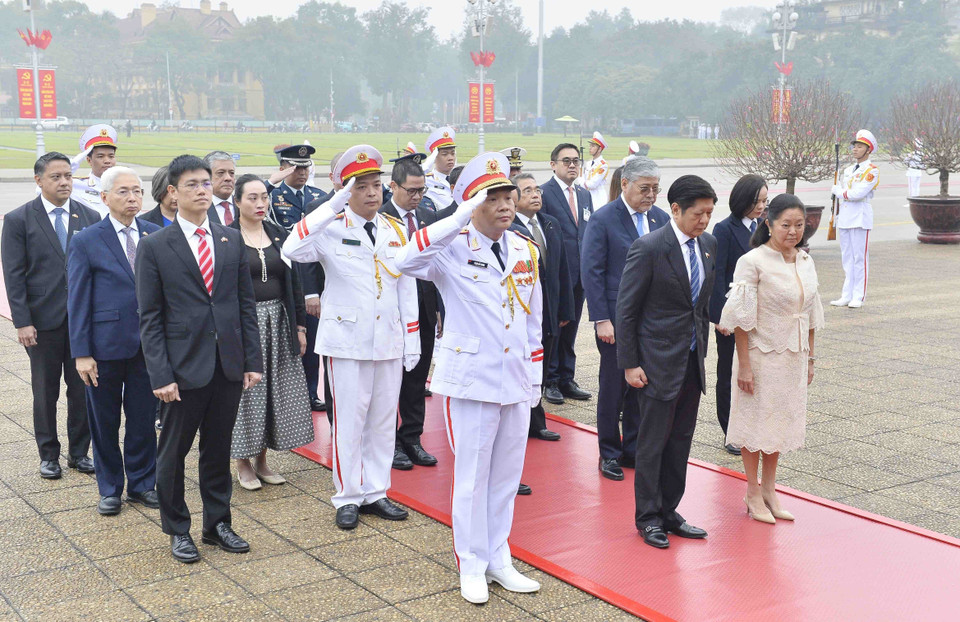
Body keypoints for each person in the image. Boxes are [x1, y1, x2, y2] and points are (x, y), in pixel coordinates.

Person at [395, 152, 543, 605]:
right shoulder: (451, 248)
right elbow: (404, 259)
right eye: (492, 197)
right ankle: (472, 562)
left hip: (515, 377)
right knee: (472, 477)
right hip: (472, 379)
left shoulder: (524, 249)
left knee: (505, 476)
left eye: (507, 196)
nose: (505, 205)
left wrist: (535, 377)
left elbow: (533, 317)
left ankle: (499, 557)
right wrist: (458, 216)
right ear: (471, 202)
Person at [282, 145, 420, 531]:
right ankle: (347, 495)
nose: (373, 193)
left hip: (388, 338)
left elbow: (406, 286)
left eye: (377, 185)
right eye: (362, 187)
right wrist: (334, 204)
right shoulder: (331, 227)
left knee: (381, 420)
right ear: (346, 191)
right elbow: (292, 248)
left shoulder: (395, 229)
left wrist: (413, 339)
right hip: (347, 340)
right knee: (350, 421)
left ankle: (376, 491)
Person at [136, 154, 263, 564]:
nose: (202, 190)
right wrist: (160, 374)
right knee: (173, 452)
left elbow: (244, 306)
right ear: (173, 192)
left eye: (206, 183)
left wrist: (251, 361)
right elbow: (150, 317)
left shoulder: (229, 239)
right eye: (192, 184)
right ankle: (178, 529)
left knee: (217, 448)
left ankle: (217, 524)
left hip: (226, 365)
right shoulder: (155, 246)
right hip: (181, 370)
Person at [616, 174, 718, 549]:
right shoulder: (650, 247)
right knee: (653, 443)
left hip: (691, 361)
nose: (704, 221)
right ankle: (648, 518)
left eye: (709, 213)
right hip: (655, 362)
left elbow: (701, 306)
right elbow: (626, 310)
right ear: (675, 210)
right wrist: (630, 363)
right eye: (698, 214)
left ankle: (670, 511)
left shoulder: (709, 244)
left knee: (680, 441)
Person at [719, 193, 824, 524]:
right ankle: (752, 491)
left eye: (798, 225)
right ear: (769, 224)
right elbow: (740, 318)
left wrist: (810, 358)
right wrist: (745, 366)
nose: (793, 231)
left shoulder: (805, 261)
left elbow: (811, 314)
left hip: (793, 357)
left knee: (778, 423)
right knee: (755, 423)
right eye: (785, 225)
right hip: (760, 357)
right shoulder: (752, 261)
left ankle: (770, 489)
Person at [67, 166, 160, 516]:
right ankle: (110, 488)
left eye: (137, 190)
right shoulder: (87, 239)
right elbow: (76, 301)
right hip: (103, 347)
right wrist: (81, 353)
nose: (132, 197)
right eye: (123, 191)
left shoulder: (153, 235)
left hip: (146, 347)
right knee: (104, 421)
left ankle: (141, 484)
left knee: (142, 419)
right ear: (104, 198)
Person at [2, 152, 100, 480]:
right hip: (41, 323)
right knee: (45, 391)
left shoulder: (88, 217)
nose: (63, 182)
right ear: (39, 181)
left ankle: (79, 452)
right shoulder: (19, 219)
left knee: (82, 387)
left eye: (68, 176)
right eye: (56, 177)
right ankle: (48, 455)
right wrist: (22, 321)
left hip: (81, 322)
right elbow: (14, 275)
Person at [582, 156, 670, 481]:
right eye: (644, 188)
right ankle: (609, 452)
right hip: (615, 321)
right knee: (613, 387)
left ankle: (633, 448)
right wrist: (600, 318)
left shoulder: (661, 219)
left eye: (655, 189)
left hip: (652, 322)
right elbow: (592, 270)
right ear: (625, 184)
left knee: (641, 385)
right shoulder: (604, 219)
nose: (650, 195)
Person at [229, 174, 314, 490]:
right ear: (237, 201)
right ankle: (242, 461)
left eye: (264, 197)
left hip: (278, 322)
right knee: (246, 394)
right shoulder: (226, 237)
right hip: (245, 325)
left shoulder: (280, 234)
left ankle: (263, 460)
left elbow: (295, 285)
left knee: (274, 394)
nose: (260, 203)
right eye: (252, 197)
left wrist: (300, 327)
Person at [380, 157, 440, 471]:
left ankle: (412, 437)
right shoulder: (378, 217)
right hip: (390, 313)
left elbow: (438, 267)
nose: (417, 197)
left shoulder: (429, 216)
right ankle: (389, 443)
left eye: (422, 190)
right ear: (393, 186)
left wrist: (440, 310)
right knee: (391, 381)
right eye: (411, 191)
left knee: (417, 379)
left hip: (424, 310)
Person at [511, 173, 573, 445]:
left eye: (537, 190)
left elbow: (562, 270)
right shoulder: (510, 229)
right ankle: (520, 423)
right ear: (514, 199)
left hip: (548, 310)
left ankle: (536, 421)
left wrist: (565, 311)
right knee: (521, 367)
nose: (535, 195)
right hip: (522, 310)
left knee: (542, 365)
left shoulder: (550, 224)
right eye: (527, 191)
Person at [709, 174, 768, 455]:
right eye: (756, 201)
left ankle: (751, 426)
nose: (760, 206)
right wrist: (722, 317)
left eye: (765, 201)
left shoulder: (764, 227)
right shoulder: (724, 229)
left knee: (754, 370)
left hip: (759, 315)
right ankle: (729, 430)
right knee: (728, 373)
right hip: (732, 316)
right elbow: (717, 275)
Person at [540, 143, 594, 405]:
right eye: (566, 161)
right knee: (554, 328)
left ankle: (566, 377)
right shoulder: (545, 193)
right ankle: (549, 379)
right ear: (553, 165)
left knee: (571, 329)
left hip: (580, 274)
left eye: (576, 161)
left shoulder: (584, 195)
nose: (572, 165)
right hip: (556, 274)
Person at [830, 129, 879, 309]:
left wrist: (839, 192)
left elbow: (858, 193)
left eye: (860, 146)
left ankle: (858, 296)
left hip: (860, 216)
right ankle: (846, 294)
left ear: (868, 150)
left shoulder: (872, 171)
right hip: (845, 216)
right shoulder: (849, 170)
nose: (855, 149)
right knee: (847, 258)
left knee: (860, 258)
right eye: (855, 146)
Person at [268, 145, 326, 229]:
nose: (302, 173)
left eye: (305, 168)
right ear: (282, 170)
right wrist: (270, 182)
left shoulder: (320, 196)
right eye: (297, 168)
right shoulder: (272, 196)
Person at [69, 124, 118, 217]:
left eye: (111, 156)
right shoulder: (76, 186)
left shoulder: (125, 185)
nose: (107, 161)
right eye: (100, 156)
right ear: (89, 160)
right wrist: (71, 166)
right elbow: (44, 190)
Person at [422, 127, 457, 210]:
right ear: (434, 157)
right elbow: (412, 177)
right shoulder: (428, 180)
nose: (450, 158)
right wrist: (426, 165)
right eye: (445, 154)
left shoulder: (459, 178)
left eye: (452, 153)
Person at [204, 151, 238, 226]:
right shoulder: (199, 209)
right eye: (221, 173)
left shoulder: (243, 206)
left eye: (231, 173)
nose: (228, 178)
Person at [580, 131, 610, 211]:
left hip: (598, 198)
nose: (590, 148)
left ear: (599, 149)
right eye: (590, 145)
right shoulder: (589, 163)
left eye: (593, 146)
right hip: (587, 196)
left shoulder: (603, 165)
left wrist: (580, 180)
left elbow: (592, 184)